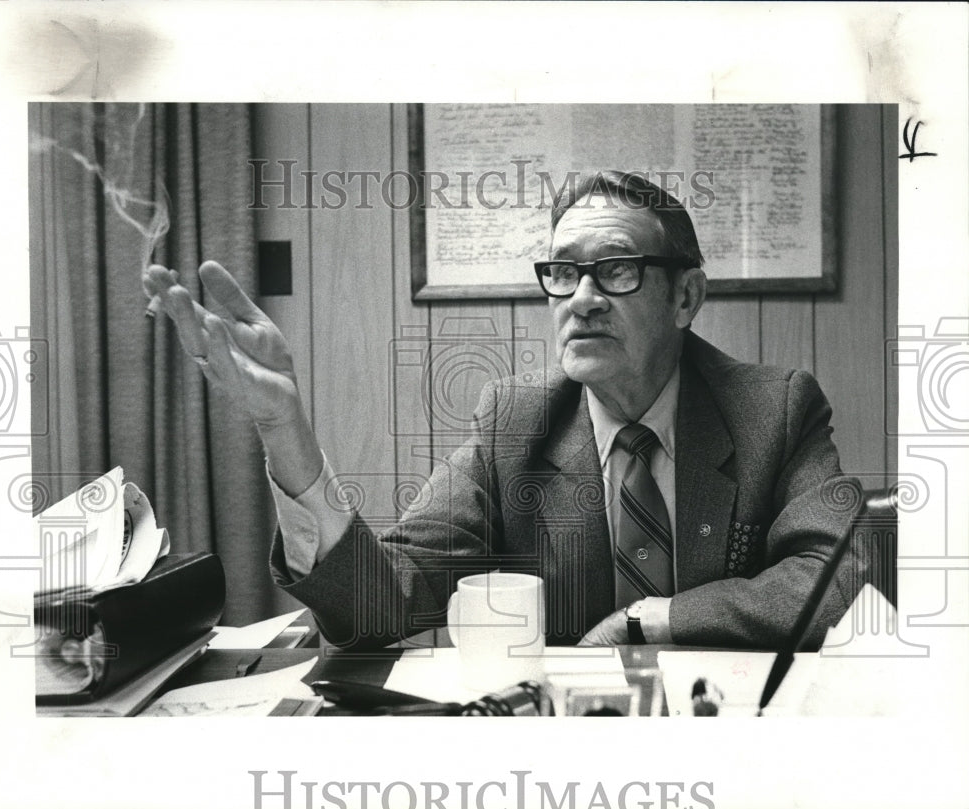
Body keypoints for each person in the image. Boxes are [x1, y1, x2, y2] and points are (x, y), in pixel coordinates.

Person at [145, 170, 867, 650]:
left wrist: (651, 619)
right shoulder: (514, 424)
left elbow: (834, 574)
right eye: (562, 272)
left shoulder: (774, 408)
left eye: (615, 269)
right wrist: (286, 433)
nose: (581, 298)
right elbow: (377, 602)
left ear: (686, 297)